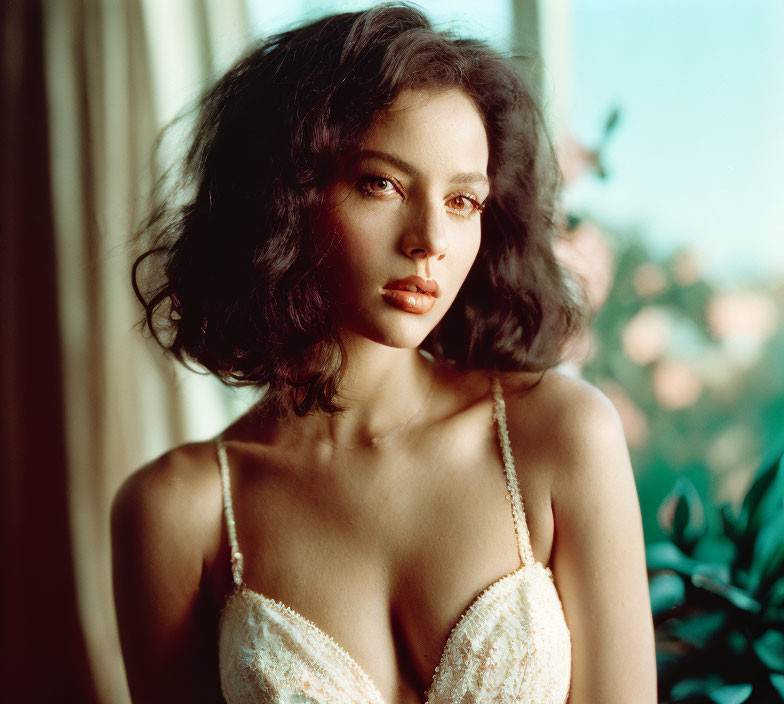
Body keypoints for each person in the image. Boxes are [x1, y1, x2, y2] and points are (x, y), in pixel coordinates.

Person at [111, 4, 657, 703]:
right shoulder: (178, 510)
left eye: (463, 201)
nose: (430, 237)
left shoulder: (560, 435)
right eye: (383, 184)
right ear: (283, 195)